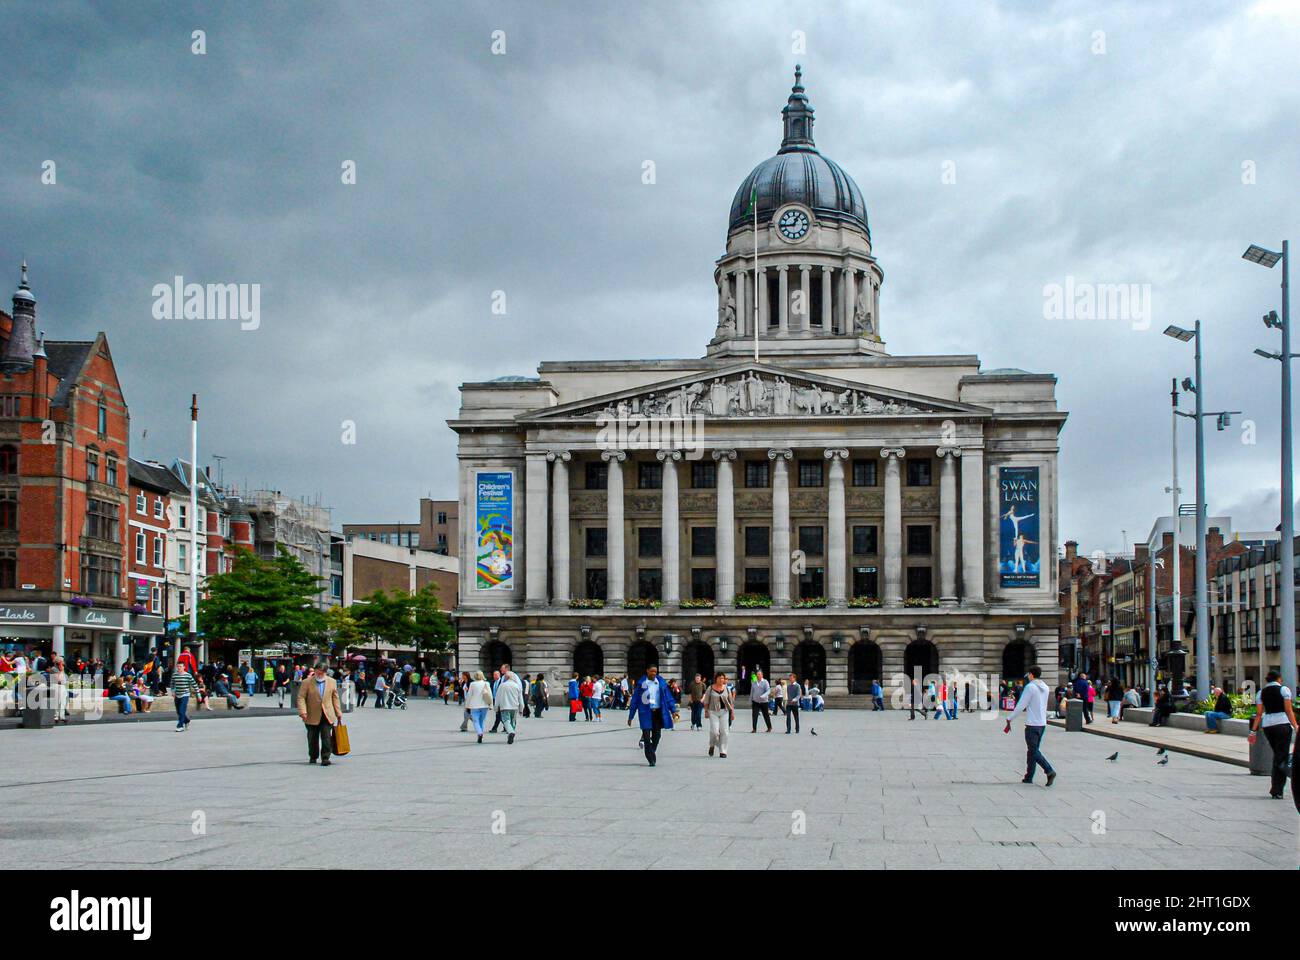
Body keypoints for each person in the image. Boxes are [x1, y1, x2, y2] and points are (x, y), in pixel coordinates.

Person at [1005, 664, 1056, 787]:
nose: (1028, 676)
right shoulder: (1045, 687)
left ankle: (1049, 771)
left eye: (1028, 674)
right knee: (1032, 751)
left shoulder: (1030, 687)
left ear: (1031, 674)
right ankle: (1029, 777)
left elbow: (1021, 705)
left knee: (1033, 751)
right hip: (1042, 724)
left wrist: (1010, 718)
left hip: (1032, 724)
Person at [1249, 671, 1297, 799]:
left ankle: (1276, 787)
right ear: (1279, 678)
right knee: (1281, 756)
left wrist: (1253, 731)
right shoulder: (1284, 690)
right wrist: (1296, 726)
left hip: (1268, 725)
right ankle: (1277, 789)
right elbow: (1288, 710)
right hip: (1282, 724)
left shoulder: (1261, 692)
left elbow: (1259, 714)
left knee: (1278, 755)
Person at [627, 664, 676, 767]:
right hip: (645, 712)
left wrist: (673, 710)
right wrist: (631, 716)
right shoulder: (642, 684)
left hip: (658, 712)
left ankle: (651, 751)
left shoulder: (660, 683)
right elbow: (635, 700)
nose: (654, 673)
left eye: (655, 671)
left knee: (657, 735)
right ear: (647, 671)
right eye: (652, 671)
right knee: (646, 735)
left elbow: (668, 697)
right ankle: (650, 757)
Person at [296, 660, 342, 765]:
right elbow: (301, 697)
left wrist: (338, 713)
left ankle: (325, 757)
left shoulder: (332, 682)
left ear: (325, 672)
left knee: (326, 737)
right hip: (311, 714)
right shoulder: (307, 682)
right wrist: (303, 711)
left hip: (327, 714)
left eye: (321, 672)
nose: (319, 674)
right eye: (317, 672)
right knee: (312, 737)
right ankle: (313, 756)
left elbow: (335, 698)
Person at [703, 672, 734, 758]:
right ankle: (712, 745)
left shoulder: (727, 689)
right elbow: (706, 701)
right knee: (714, 731)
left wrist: (732, 713)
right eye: (720, 678)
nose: (721, 680)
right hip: (713, 712)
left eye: (723, 678)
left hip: (724, 711)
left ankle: (723, 751)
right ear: (716, 679)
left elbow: (731, 701)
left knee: (725, 732)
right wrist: (706, 711)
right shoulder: (710, 688)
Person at [494, 669, 525, 744]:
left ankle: (511, 732)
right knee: (512, 721)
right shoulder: (517, 686)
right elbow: (520, 698)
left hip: (504, 706)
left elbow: (497, 698)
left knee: (506, 721)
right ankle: (512, 733)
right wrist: (521, 709)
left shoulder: (502, 685)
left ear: (506, 678)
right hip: (514, 707)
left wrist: (496, 708)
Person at [171, 661, 200, 732]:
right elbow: (172, 684)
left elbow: (194, 684)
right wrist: (173, 691)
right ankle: (186, 721)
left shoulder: (188, 675)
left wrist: (198, 694)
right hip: (177, 695)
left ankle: (180, 726)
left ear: (184, 667)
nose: (179, 668)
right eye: (178, 666)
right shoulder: (174, 675)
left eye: (180, 666)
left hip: (185, 694)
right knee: (178, 712)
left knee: (181, 710)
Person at [466, 670, 493, 743]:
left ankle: (479, 733)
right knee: (482, 721)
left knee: (475, 721)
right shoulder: (486, 683)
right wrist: (491, 705)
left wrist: (467, 706)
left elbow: (469, 695)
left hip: (474, 705)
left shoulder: (472, 684)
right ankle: (481, 733)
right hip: (484, 705)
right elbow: (490, 695)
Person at [750, 668, 772, 733]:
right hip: (755, 701)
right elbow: (752, 691)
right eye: (757, 674)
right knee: (754, 715)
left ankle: (769, 727)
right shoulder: (754, 682)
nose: (758, 676)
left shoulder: (765, 682)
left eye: (759, 674)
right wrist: (750, 700)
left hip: (764, 702)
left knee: (766, 715)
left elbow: (768, 690)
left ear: (762, 675)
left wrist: (763, 696)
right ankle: (754, 729)